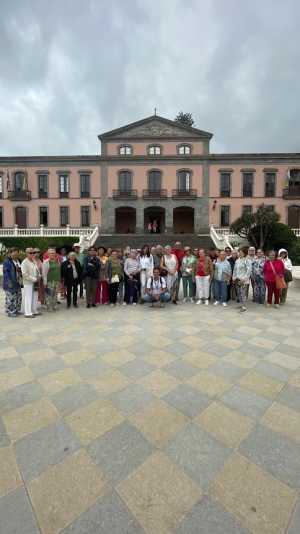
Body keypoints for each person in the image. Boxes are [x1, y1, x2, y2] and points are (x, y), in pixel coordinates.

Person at [3, 248, 22, 317]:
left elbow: (21, 270)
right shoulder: (7, 261)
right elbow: (6, 273)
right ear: (10, 253)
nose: (15, 254)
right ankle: (11, 312)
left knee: (18, 297)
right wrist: (9, 282)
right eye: (14, 253)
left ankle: (16, 310)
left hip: (18, 282)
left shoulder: (19, 260)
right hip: (10, 282)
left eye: (17, 253)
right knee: (11, 298)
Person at [232, 247, 252, 312]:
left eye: (241, 253)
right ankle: (241, 304)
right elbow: (235, 270)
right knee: (239, 293)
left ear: (245, 253)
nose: (239, 254)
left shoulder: (247, 260)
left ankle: (244, 306)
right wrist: (233, 277)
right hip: (237, 279)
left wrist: (244, 279)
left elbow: (249, 271)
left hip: (243, 280)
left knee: (243, 293)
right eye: (239, 252)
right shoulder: (237, 260)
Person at [21, 248, 39, 317]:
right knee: (28, 297)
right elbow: (25, 274)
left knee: (34, 297)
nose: (32, 254)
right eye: (30, 253)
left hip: (35, 282)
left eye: (33, 253)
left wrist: (39, 275)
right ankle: (28, 313)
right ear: (26, 253)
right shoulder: (24, 262)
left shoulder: (34, 260)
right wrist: (34, 279)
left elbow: (36, 270)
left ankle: (34, 310)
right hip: (28, 283)